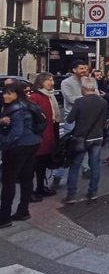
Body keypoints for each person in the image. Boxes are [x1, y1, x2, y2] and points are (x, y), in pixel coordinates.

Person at [0, 81, 42, 228]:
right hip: (32, 144)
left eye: (9, 93)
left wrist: (3, 142)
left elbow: (15, 134)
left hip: (17, 147)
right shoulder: (28, 105)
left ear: (17, 94)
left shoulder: (16, 110)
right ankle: (23, 210)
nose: (5, 95)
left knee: (8, 181)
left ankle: (4, 217)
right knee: (26, 178)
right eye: (4, 92)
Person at [63, 77, 107, 203]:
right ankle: (93, 192)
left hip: (81, 137)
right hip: (97, 136)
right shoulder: (102, 102)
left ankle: (71, 194)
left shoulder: (79, 102)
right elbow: (104, 121)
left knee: (75, 165)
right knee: (95, 165)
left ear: (83, 88)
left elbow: (70, 119)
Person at [55, 59, 90, 188]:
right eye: (81, 68)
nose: (84, 71)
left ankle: (86, 168)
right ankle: (58, 175)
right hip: (72, 119)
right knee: (69, 148)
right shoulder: (66, 82)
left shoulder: (88, 81)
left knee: (84, 144)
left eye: (85, 68)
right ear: (74, 69)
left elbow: (96, 94)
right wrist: (88, 98)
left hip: (85, 118)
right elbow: (70, 99)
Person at [28, 72, 60, 201]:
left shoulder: (49, 96)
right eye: (49, 80)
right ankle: (31, 191)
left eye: (52, 80)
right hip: (40, 136)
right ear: (41, 82)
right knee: (34, 166)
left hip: (49, 135)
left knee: (42, 165)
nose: (52, 83)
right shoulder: (35, 97)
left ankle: (41, 187)